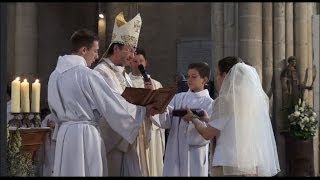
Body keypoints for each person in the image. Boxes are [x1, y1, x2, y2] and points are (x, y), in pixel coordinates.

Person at [48, 28, 159, 176]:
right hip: (85, 135)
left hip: (65, 134)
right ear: (83, 50)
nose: (97, 56)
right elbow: (111, 103)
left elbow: (53, 108)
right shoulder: (86, 74)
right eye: (95, 51)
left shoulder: (55, 75)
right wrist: (143, 111)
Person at [183, 56, 280, 176]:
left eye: (218, 74)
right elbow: (232, 125)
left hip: (228, 163)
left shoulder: (225, 100)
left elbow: (207, 134)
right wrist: (207, 119)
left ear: (225, 76)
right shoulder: (253, 101)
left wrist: (193, 118)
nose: (217, 79)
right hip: (251, 163)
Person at [93, 12, 145, 176]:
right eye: (130, 50)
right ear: (116, 48)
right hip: (110, 139)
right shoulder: (101, 72)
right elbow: (114, 105)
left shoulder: (123, 75)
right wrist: (144, 110)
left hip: (125, 139)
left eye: (134, 50)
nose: (133, 56)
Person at [152, 62, 214, 176]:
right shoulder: (178, 98)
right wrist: (159, 109)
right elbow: (166, 121)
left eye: (194, 77)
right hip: (174, 148)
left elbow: (209, 131)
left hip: (194, 152)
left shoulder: (209, 103)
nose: (189, 80)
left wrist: (193, 120)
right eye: (188, 76)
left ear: (204, 80)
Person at [128, 47, 165, 176]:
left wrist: (152, 94)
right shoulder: (126, 83)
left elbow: (162, 108)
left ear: (146, 63)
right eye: (135, 61)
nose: (138, 64)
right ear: (129, 63)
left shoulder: (155, 84)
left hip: (152, 128)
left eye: (141, 61)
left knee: (152, 163)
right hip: (135, 128)